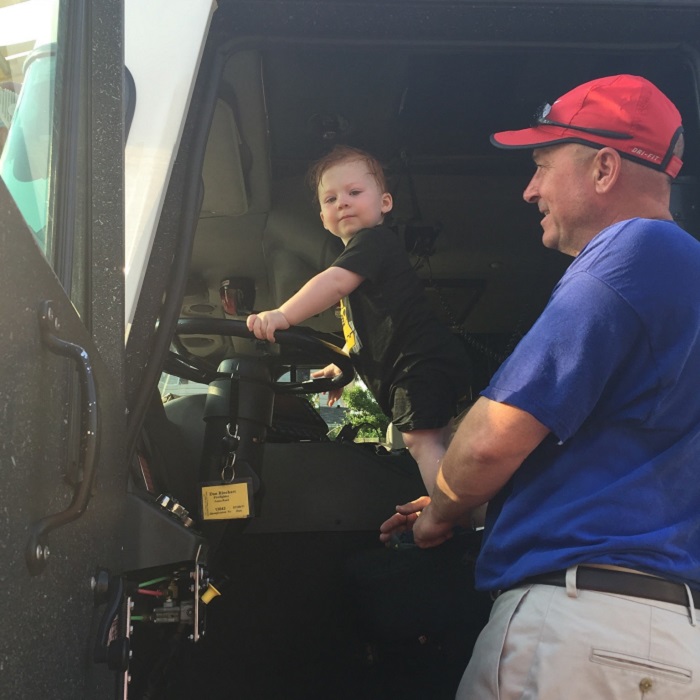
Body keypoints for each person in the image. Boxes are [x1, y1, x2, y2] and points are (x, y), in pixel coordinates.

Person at [380, 74, 700, 698]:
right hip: (656, 635)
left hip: (579, 634)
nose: (529, 191)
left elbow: (488, 444)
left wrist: (440, 512)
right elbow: (620, 461)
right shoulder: (680, 274)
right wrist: (475, 506)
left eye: (542, 166)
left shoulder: (632, 251)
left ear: (605, 168)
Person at [247, 145, 471, 492]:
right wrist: (342, 365)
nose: (343, 203)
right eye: (331, 199)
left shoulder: (374, 242)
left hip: (418, 364)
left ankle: (446, 517)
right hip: (421, 364)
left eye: (354, 192)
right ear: (323, 218)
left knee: (421, 443)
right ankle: (466, 514)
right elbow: (371, 330)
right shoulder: (365, 262)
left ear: (385, 203)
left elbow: (333, 283)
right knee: (437, 443)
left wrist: (281, 314)